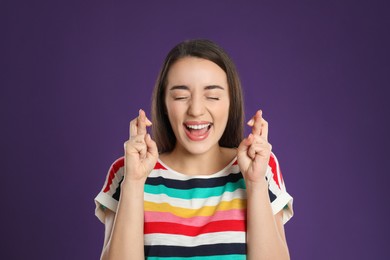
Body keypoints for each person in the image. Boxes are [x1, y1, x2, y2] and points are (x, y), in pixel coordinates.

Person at [94, 39, 293, 260]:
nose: (196, 110)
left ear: (231, 102)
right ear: (164, 105)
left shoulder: (261, 167)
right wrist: (133, 181)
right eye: (181, 97)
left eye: (213, 96)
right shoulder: (127, 171)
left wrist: (255, 184)